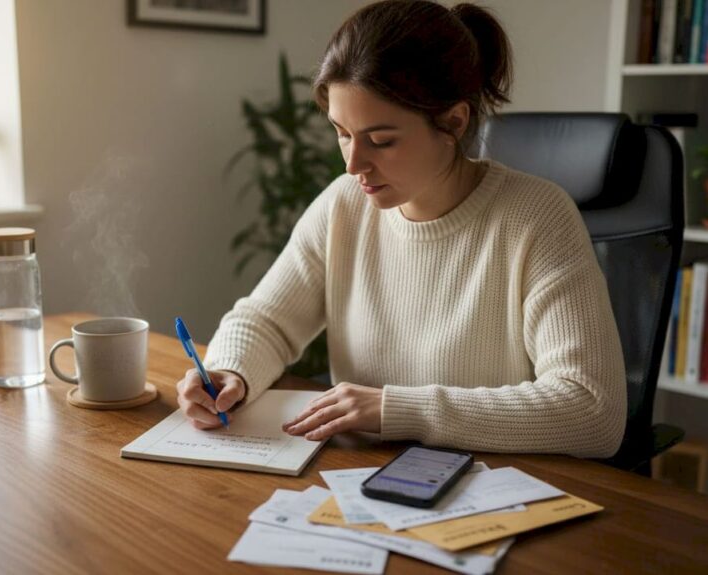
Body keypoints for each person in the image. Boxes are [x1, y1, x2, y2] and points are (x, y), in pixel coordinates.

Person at [176, 0, 627, 458]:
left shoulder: (537, 218)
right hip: (361, 480)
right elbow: (266, 321)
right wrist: (231, 372)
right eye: (342, 133)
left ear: (452, 121)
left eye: (381, 140)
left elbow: (592, 410)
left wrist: (399, 409)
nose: (353, 164)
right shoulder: (344, 205)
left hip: (492, 490)